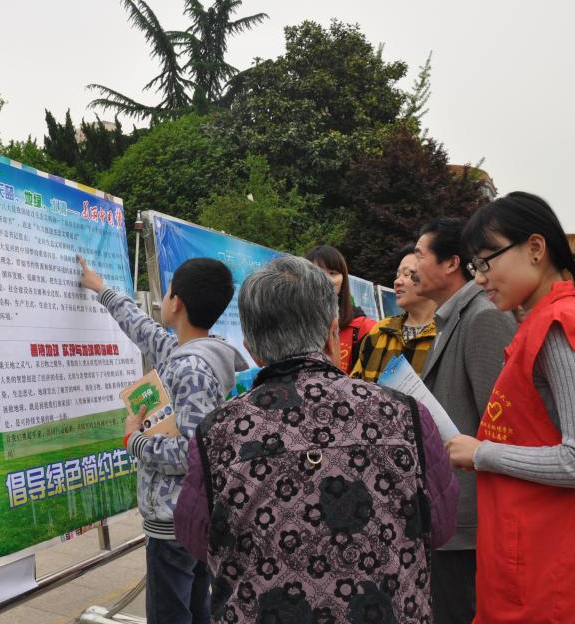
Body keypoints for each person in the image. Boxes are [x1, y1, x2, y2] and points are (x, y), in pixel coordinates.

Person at [172, 255, 458, 624]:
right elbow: (442, 525)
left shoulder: (217, 431)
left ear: (252, 349)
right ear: (331, 334)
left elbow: (195, 536)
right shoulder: (406, 414)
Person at [446, 192, 575, 623]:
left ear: (535, 248)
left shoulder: (556, 326)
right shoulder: (549, 322)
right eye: (475, 267)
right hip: (540, 557)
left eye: (485, 262)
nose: (480, 279)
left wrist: (482, 453)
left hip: (551, 572)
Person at [78, 254, 247, 624]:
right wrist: (102, 290)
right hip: (190, 516)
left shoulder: (190, 369)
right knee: (197, 608)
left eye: (167, 292)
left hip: (175, 523)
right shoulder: (188, 354)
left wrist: (134, 440)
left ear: (177, 303)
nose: (161, 300)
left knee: (169, 614)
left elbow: (192, 453)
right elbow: (144, 330)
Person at [412, 218, 516, 624]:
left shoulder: (483, 317)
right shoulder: (453, 317)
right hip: (451, 511)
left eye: (419, 255)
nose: (412, 267)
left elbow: (503, 420)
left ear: (452, 263)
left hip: (470, 520)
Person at [352, 243, 438, 382]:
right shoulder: (380, 330)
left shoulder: (446, 333)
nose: (397, 281)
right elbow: (355, 383)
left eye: (407, 274)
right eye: (397, 275)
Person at [307, 245, 377, 374]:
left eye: (332, 273)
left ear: (343, 279)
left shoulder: (364, 329)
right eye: (317, 273)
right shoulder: (290, 326)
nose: (326, 279)